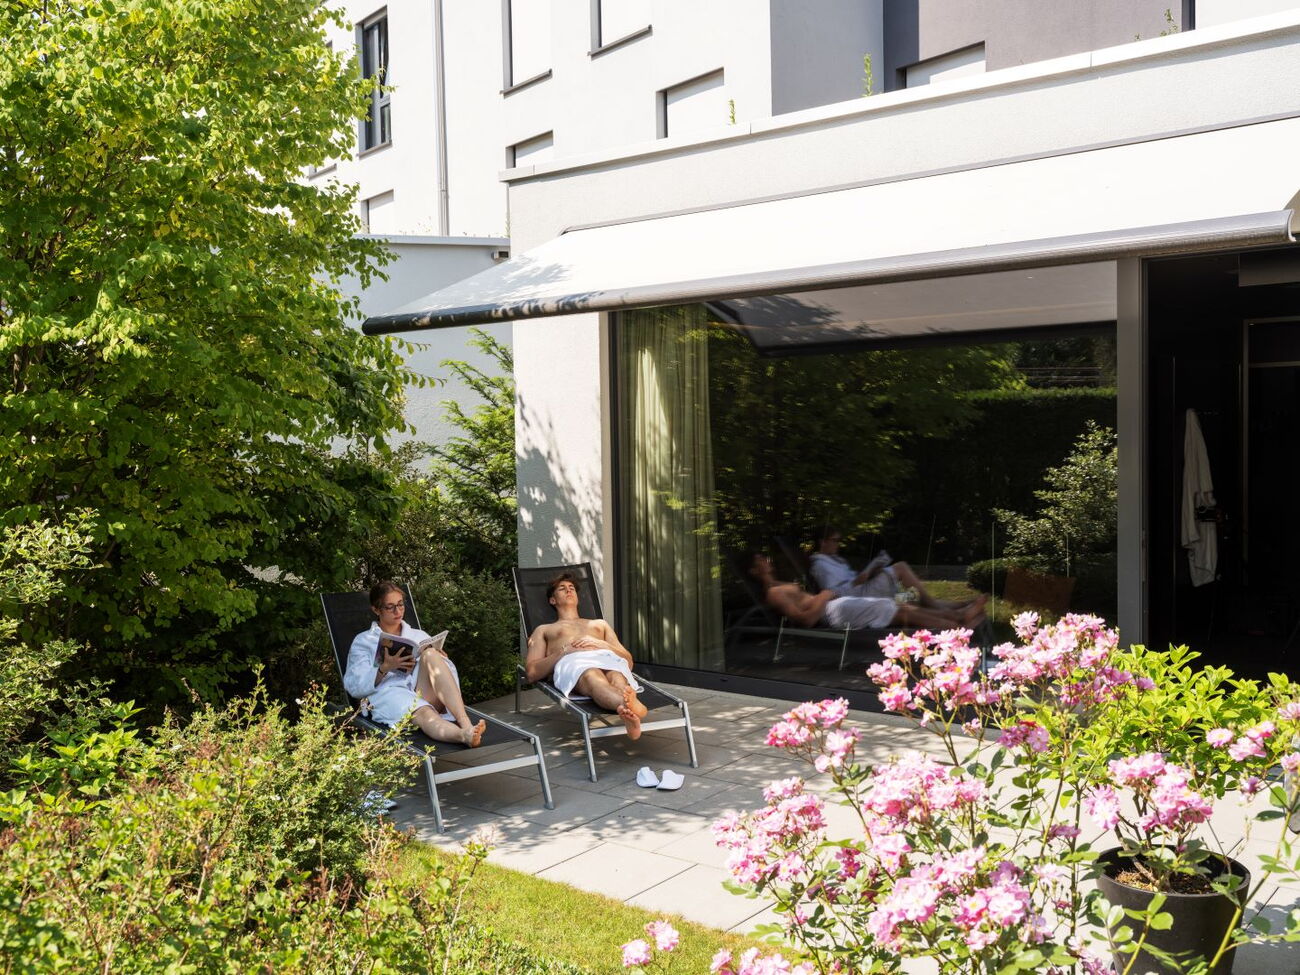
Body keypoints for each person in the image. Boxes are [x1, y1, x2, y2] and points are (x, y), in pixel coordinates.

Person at [344, 581, 486, 747]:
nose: (398, 611)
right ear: (376, 609)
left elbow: (442, 675)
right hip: (390, 696)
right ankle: (464, 735)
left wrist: (441, 659)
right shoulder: (363, 641)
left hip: (422, 690)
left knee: (431, 653)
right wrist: (384, 668)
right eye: (390, 607)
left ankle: (466, 724)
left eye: (400, 604)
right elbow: (354, 687)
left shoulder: (418, 635)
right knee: (423, 711)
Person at [525, 572, 649, 740]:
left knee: (617, 675)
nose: (569, 590)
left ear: (577, 596)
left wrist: (603, 644)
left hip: (606, 656)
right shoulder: (544, 629)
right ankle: (636, 709)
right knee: (592, 675)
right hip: (573, 661)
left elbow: (628, 661)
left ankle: (628, 712)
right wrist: (564, 651)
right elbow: (531, 672)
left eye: (572, 588)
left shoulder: (599, 624)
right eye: (562, 588)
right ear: (553, 600)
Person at [749, 552, 985, 632]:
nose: (766, 559)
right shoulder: (774, 593)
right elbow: (806, 620)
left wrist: (824, 596)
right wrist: (823, 596)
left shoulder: (779, 584)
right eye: (760, 560)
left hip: (834, 605)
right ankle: (955, 626)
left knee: (899, 608)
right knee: (891, 608)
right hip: (829, 613)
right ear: (753, 570)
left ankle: (955, 619)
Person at [808, 528, 964, 611]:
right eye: (835, 540)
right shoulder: (820, 565)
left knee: (910, 598)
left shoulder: (837, 561)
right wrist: (856, 581)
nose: (838, 544)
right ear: (822, 542)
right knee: (900, 567)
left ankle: (954, 607)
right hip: (857, 596)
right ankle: (934, 604)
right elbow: (830, 594)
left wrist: (870, 573)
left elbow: (849, 580)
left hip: (863, 589)